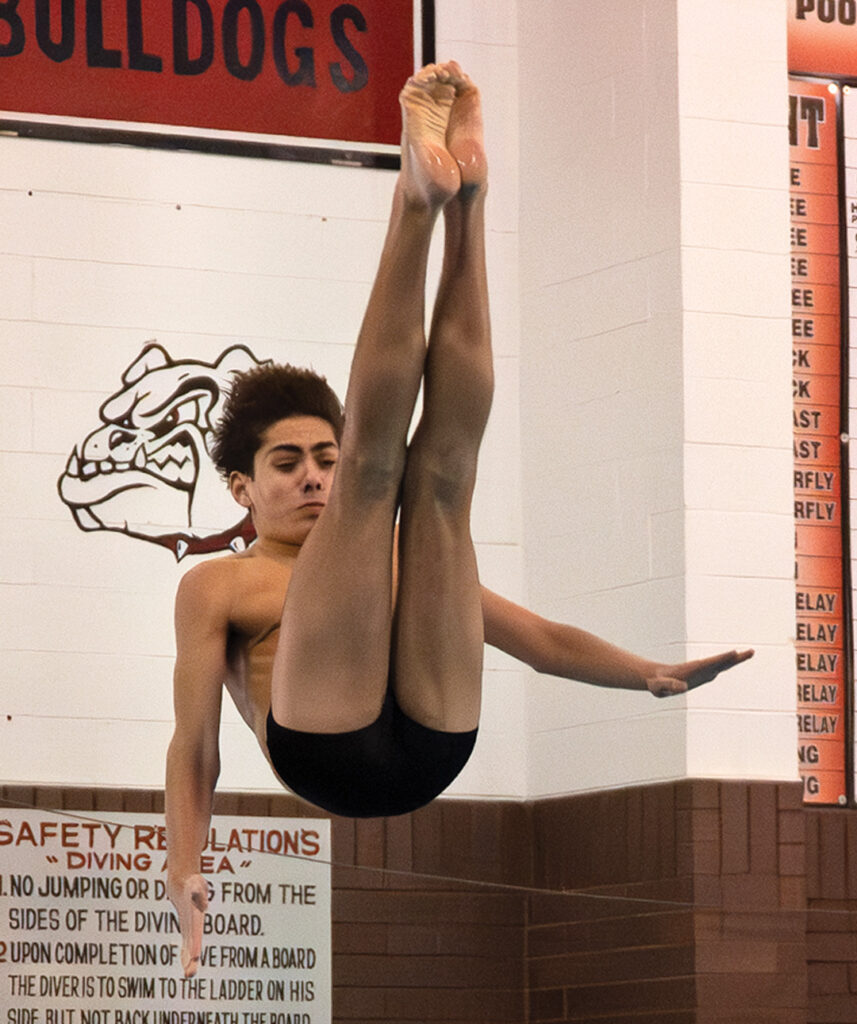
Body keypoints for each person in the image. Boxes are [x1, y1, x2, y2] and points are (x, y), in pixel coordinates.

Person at [165, 61, 752, 977]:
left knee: (440, 485)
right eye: (288, 464)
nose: (312, 477)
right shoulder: (219, 584)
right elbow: (193, 739)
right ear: (241, 488)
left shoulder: (393, 561)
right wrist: (185, 864)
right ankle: (414, 205)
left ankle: (466, 201)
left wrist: (647, 677)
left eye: (321, 455)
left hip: (433, 740)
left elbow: (540, 638)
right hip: (327, 756)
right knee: (381, 471)